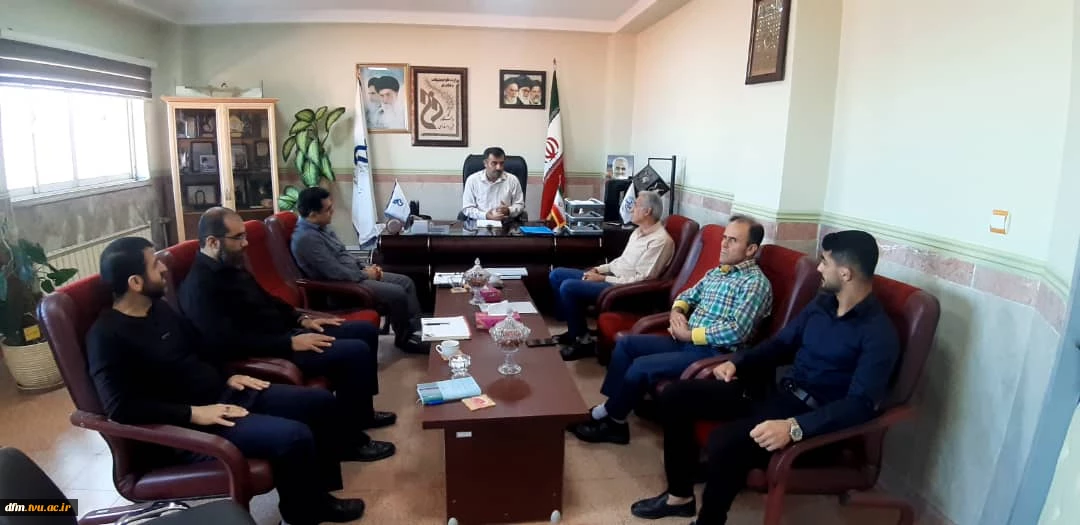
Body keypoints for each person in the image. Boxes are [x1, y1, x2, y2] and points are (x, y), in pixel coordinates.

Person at [87, 237, 374, 524]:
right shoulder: (106, 336)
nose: (163, 269)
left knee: (319, 403)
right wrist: (193, 413)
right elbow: (120, 407)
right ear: (135, 282)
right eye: (154, 264)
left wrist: (229, 375)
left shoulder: (158, 309)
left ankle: (317, 497)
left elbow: (202, 348)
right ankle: (305, 513)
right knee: (293, 436)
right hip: (191, 425)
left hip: (224, 394)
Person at [629, 230, 900, 525]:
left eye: (825, 262)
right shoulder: (822, 305)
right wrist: (738, 363)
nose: (819, 268)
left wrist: (795, 428)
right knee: (676, 395)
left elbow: (859, 405)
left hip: (811, 419)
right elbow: (781, 344)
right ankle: (679, 497)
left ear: (845, 273)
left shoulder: (878, 334)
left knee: (725, 442)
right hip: (777, 394)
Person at [178, 207, 399, 440]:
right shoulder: (200, 287)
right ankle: (352, 439)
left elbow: (268, 300)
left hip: (284, 333)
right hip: (266, 349)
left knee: (364, 330)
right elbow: (227, 342)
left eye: (245, 236)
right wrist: (289, 343)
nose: (245, 243)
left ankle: (362, 414)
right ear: (213, 242)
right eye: (238, 237)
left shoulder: (231, 267)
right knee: (354, 352)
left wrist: (301, 319)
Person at [567, 216, 773, 445]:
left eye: (732, 240)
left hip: (713, 352)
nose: (723, 244)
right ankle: (611, 408)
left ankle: (614, 424)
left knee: (641, 366)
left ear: (751, 249)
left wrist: (689, 334)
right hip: (685, 340)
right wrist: (677, 311)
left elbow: (737, 331)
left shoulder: (755, 283)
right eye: (724, 238)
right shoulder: (718, 272)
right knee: (626, 344)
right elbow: (687, 295)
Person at [291, 186, 428, 354]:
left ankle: (417, 332)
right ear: (313, 215)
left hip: (355, 275)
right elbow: (334, 272)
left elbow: (344, 253)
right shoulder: (306, 239)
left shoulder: (323, 227)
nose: (332, 212)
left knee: (406, 282)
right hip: (341, 288)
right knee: (397, 293)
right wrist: (366, 274)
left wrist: (365, 266)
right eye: (328, 209)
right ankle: (404, 339)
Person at [552, 190, 675, 361]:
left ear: (647, 211)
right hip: (611, 277)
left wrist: (603, 279)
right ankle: (576, 330)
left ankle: (583, 341)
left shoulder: (660, 241)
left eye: (635, 205)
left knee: (568, 287)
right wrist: (599, 270)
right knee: (557, 275)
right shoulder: (638, 232)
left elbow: (643, 279)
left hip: (624, 289)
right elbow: (620, 262)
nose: (631, 209)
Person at [460, 146, 526, 221]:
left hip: (506, 224)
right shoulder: (472, 180)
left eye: (501, 163)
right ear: (485, 163)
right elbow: (467, 208)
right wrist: (485, 216)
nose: (499, 167)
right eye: (494, 163)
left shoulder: (512, 180)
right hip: (479, 223)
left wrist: (508, 210)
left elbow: (520, 205)